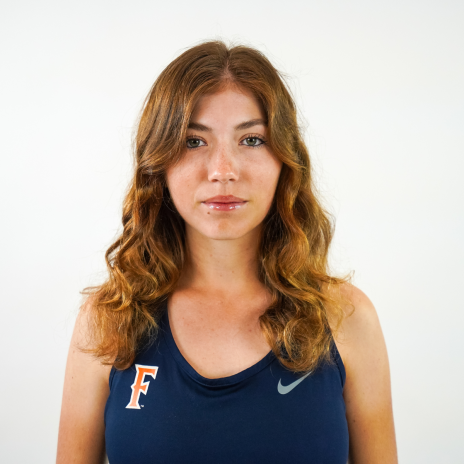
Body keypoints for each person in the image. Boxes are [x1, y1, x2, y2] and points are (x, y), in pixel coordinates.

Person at [57, 40, 397, 463]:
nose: (223, 171)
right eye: (194, 141)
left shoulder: (346, 318)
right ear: (157, 162)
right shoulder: (109, 320)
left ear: (285, 160)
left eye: (251, 139)